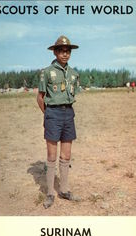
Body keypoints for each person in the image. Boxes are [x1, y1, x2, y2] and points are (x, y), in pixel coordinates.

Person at [37, 35, 80, 209]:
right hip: (53, 113)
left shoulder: (74, 73)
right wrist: (48, 116)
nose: (65, 54)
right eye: (61, 51)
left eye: (67, 51)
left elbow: (73, 93)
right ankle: (49, 193)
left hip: (68, 113)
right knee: (52, 156)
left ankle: (64, 189)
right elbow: (40, 98)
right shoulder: (46, 72)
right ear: (55, 52)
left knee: (66, 156)